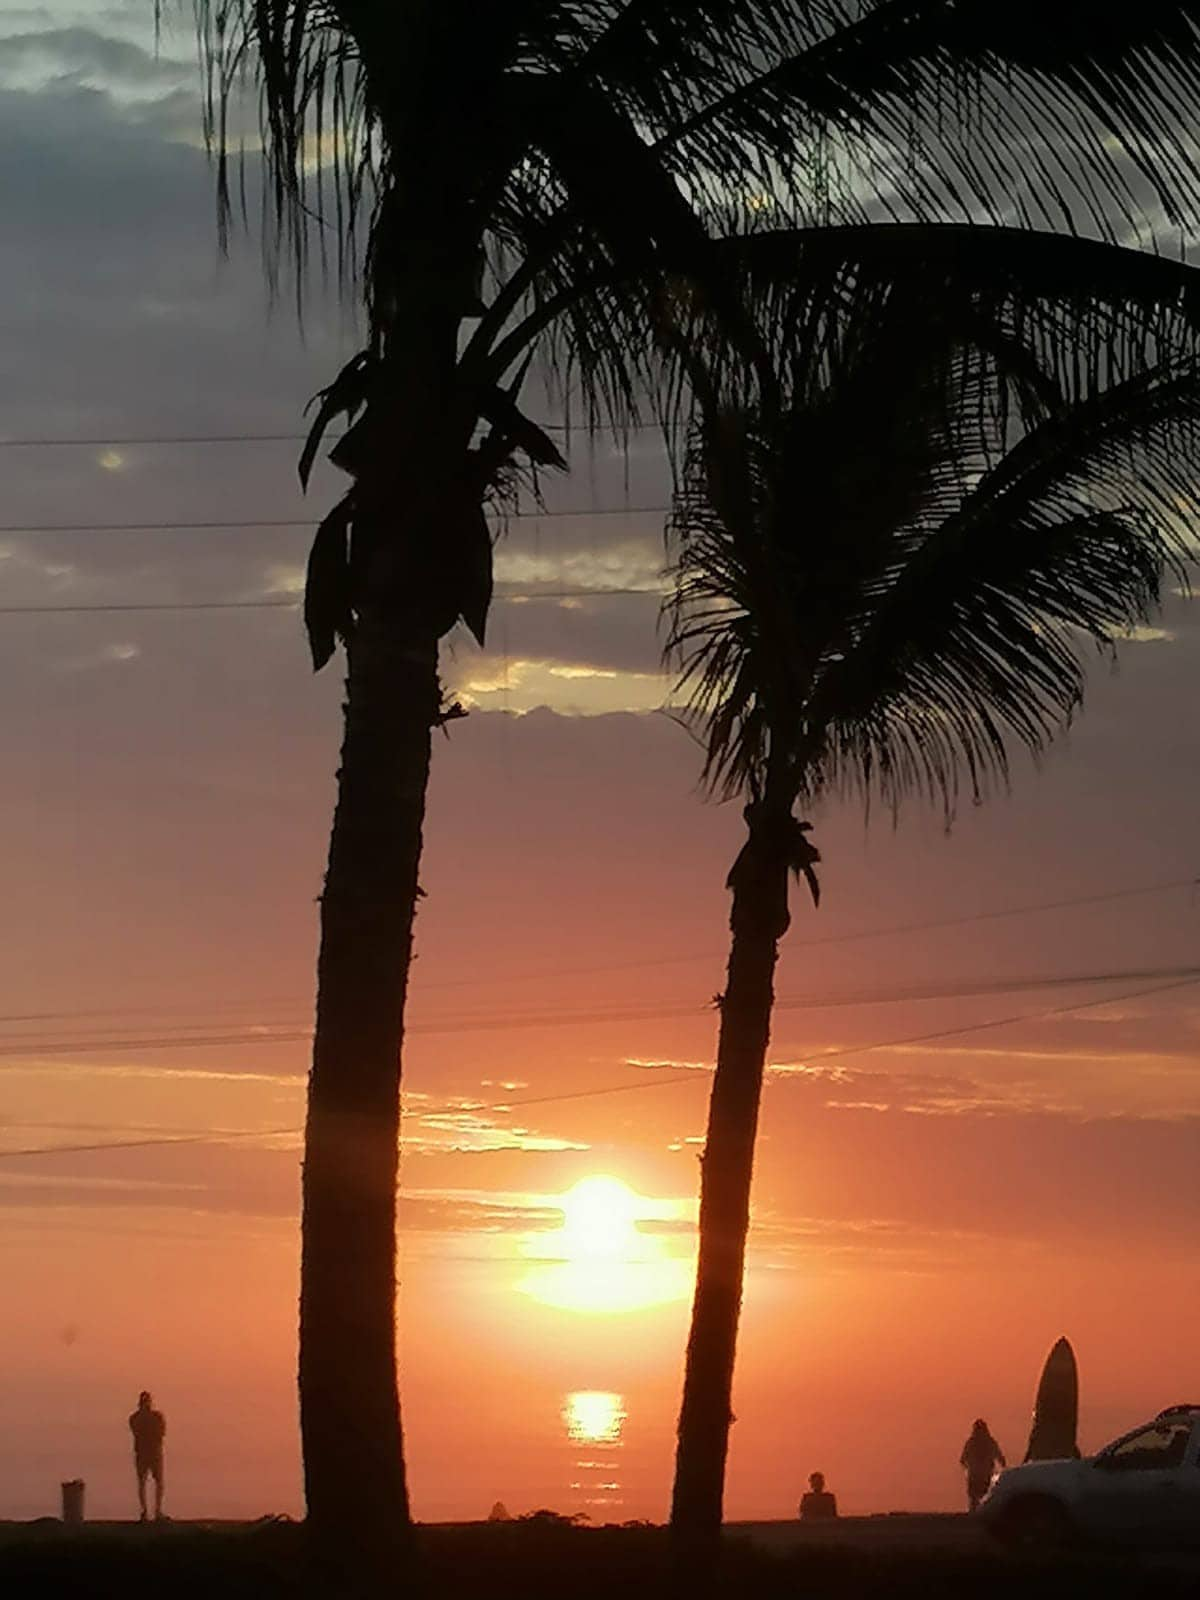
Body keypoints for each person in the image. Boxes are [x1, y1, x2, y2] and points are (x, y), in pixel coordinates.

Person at [129, 1390, 166, 1521]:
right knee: (148, 1483)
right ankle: (150, 1511)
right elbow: (161, 1433)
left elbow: (160, 1432)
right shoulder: (154, 1417)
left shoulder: (135, 1418)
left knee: (152, 1483)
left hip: (148, 1453)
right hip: (150, 1453)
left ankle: (154, 1511)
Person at [960, 1418, 1005, 1511]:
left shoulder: (971, 1442)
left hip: (974, 1474)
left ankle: (972, 1515)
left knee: (974, 1498)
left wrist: (967, 1468)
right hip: (985, 1473)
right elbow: (999, 1457)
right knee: (985, 1496)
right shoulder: (989, 1441)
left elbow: (963, 1459)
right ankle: (983, 1513)